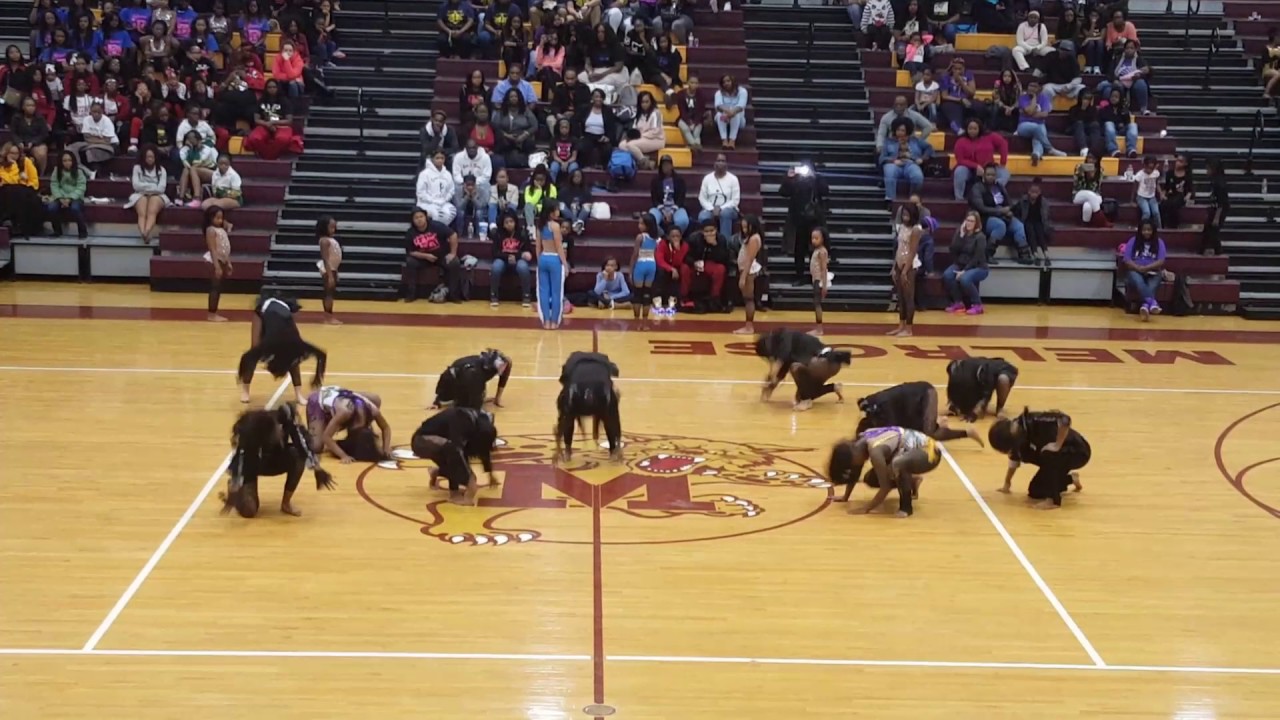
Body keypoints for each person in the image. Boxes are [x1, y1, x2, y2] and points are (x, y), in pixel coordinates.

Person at [219, 404, 336, 518]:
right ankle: (237, 495)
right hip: (253, 464)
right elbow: (240, 462)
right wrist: (235, 487)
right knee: (249, 511)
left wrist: (317, 468)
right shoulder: (250, 434)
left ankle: (286, 504)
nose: (280, 432)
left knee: (296, 456)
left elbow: (303, 444)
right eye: (276, 433)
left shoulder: (286, 416)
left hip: (274, 458)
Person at [827, 426, 942, 517]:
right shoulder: (860, 442)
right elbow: (856, 471)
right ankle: (912, 481)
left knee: (897, 463)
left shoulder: (875, 451)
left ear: (853, 457)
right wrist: (845, 496)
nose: (853, 467)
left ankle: (906, 508)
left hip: (930, 452)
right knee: (871, 478)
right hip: (911, 452)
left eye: (851, 464)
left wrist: (867, 508)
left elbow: (885, 487)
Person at [237, 292, 327, 405]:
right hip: (263, 311)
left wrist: (317, 377)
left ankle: (298, 394)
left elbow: (322, 355)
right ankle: (245, 389)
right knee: (255, 348)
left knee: (294, 358)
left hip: (283, 317)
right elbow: (247, 356)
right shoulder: (269, 343)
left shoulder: (296, 342)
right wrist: (240, 375)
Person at [989, 408, 1090, 510]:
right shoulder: (1017, 438)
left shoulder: (1034, 420)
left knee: (1048, 453)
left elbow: (1065, 419)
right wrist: (1007, 483)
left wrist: (1057, 444)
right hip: (1054, 457)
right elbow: (1014, 457)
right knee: (1035, 491)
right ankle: (1070, 479)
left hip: (1077, 451)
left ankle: (1054, 500)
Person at [411, 407, 499, 506]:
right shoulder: (462, 422)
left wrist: (490, 474)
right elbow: (454, 451)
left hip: (441, 442)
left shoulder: (481, 423)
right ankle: (453, 493)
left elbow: (484, 449)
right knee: (457, 458)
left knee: (459, 462)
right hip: (421, 441)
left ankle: (437, 472)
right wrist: (468, 488)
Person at [855, 381, 983, 445]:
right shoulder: (869, 404)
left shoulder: (888, 418)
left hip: (925, 393)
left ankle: (967, 432)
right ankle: (937, 422)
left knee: (929, 432)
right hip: (910, 405)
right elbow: (860, 402)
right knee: (922, 432)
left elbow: (898, 434)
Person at [556, 351, 623, 463]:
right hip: (601, 396)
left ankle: (567, 450)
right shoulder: (604, 361)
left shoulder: (572, 362)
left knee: (567, 416)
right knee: (611, 416)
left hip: (577, 398)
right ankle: (614, 449)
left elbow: (563, 380)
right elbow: (616, 371)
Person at [307, 386, 393, 463]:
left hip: (339, 396)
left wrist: (386, 448)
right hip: (319, 398)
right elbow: (326, 437)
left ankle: (332, 420)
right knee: (316, 446)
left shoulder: (373, 411)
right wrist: (343, 455)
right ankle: (324, 422)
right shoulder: (345, 412)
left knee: (375, 399)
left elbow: (385, 427)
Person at [781, 161, 829, 283]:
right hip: (798, 218)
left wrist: (815, 177)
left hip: (814, 219)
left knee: (816, 247)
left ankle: (818, 275)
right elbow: (783, 192)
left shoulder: (817, 178)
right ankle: (800, 275)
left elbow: (825, 191)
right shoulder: (795, 179)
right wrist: (788, 178)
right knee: (799, 248)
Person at [403, 208, 463, 303]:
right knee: (410, 262)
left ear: (426, 217)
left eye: (421, 216)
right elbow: (410, 252)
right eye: (416, 218)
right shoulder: (410, 233)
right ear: (413, 221)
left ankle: (453, 295)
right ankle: (411, 294)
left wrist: (452, 253)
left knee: (454, 262)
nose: (419, 219)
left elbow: (453, 235)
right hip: (424, 258)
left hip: (441, 256)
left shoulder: (436, 226)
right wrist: (426, 256)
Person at [753, 328, 828, 401]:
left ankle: (807, 398)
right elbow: (783, 367)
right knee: (800, 395)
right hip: (820, 360)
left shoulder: (784, 341)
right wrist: (772, 384)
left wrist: (772, 377)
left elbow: (780, 362)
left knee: (796, 369)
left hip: (823, 360)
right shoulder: (783, 342)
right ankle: (831, 388)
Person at [431, 348, 513, 410]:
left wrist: (497, 398)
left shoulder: (503, 363)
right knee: (468, 406)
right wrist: (437, 400)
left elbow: (506, 367)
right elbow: (446, 377)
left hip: (462, 376)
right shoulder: (475, 374)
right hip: (456, 381)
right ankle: (459, 397)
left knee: (474, 401)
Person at [942, 211, 989, 315]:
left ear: (976, 223)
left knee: (965, 278)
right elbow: (953, 249)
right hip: (960, 264)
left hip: (978, 267)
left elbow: (978, 257)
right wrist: (960, 236)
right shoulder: (961, 233)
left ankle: (977, 305)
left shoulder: (980, 237)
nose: (969, 223)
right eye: (967, 220)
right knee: (947, 275)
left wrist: (964, 271)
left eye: (972, 221)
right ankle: (958, 302)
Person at [945, 356, 1019, 421]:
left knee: (1003, 380)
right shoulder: (954, 367)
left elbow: (986, 395)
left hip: (1002, 370)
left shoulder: (984, 374)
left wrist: (975, 412)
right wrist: (954, 403)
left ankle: (1000, 408)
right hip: (981, 371)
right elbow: (953, 386)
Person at [889, 203, 922, 337]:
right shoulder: (902, 227)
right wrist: (894, 267)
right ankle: (900, 325)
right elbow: (899, 248)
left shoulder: (916, 229)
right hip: (899, 262)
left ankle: (909, 329)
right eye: (903, 214)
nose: (904, 217)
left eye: (907, 215)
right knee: (901, 298)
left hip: (909, 265)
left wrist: (905, 270)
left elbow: (912, 251)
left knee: (908, 297)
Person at [1122, 219, 1166, 320]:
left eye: (1149, 230)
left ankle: (1145, 306)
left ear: (1153, 231)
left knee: (1152, 285)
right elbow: (1127, 260)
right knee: (1138, 281)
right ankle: (1152, 303)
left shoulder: (1159, 242)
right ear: (1140, 230)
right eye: (1144, 230)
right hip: (1135, 270)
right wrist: (1138, 268)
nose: (1146, 232)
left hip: (1153, 271)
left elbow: (1160, 261)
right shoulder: (1133, 241)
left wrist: (1147, 268)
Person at [488, 210, 532, 306]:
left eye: (511, 222)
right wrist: (507, 257)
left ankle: (526, 295)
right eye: (506, 222)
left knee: (523, 267)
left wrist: (517, 256)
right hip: (502, 259)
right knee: (496, 267)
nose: (509, 224)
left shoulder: (522, 233)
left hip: (518, 259)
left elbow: (527, 250)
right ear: (503, 224)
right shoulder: (498, 234)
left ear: (515, 222)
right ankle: (494, 295)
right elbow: (495, 252)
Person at [787, 347, 852, 411]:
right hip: (832, 363)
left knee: (796, 367)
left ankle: (805, 401)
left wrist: (802, 394)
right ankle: (833, 387)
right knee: (809, 391)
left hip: (822, 362)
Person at [535, 203, 568, 330]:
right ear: (551, 212)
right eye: (557, 209)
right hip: (554, 258)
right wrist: (564, 264)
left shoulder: (540, 225)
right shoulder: (555, 226)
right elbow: (559, 247)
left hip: (543, 257)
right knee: (556, 292)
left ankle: (546, 322)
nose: (559, 211)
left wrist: (539, 261)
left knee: (543, 291)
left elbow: (538, 246)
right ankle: (554, 321)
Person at [45, 150, 89, 239]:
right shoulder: (56, 171)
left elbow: (81, 187)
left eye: (69, 160)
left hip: (75, 197)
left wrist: (70, 198)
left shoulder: (79, 171)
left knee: (75, 208)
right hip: (60, 196)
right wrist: (60, 198)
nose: (67, 163)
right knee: (51, 208)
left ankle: (83, 231)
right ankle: (57, 231)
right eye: (64, 161)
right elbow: (54, 185)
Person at [734, 214, 766, 335]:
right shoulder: (752, 237)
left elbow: (749, 259)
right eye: (743, 227)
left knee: (748, 299)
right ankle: (748, 325)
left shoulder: (754, 239)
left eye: (746, 227)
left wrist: (743, 276)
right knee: (747, 299)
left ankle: (749, 326)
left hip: (748, 271)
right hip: (745, 270)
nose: (744, 230)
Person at [697, 154, 740, 240]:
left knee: (725, 214)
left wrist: (720, 208)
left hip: (729, 210)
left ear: (726, 165)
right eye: (718, 161)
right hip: (710, 209)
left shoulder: (733, 179)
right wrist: (712, 209)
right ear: (714, 164)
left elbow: (735, 200)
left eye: (723, 161)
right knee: (702, 217)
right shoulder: (707, 178)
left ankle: (724, 243)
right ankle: (706, 243)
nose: (720, 163)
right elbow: (702, 198)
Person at [203, 206, 233, 321]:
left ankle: (213, 312)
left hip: (222, 260)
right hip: (214, 260)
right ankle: (211, 314)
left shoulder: (221, 230)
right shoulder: (211, 230)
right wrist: (216, 266)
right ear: (210, 218)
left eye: (221, 218)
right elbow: (213, 249)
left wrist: (228, 262)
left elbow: (225, 249)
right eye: (217, 218)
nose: (220, 220)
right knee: (215, 287)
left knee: (219, 287)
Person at [1014, 178, 1052, 265]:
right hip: (1027, 221)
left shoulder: (1044, 202)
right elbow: (1015, 210)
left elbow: (1046, 217)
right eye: (1032, 192)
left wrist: (1048, 227)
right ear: (1028, 192)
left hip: (1039, 222)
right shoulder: (1023, 200)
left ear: (1040, 193)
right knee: (1030, 232)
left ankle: (1046, 255)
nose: (1034, 194)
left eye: (1036, 192)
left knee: (1040, 232)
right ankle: (1035, 254)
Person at [630, 214, 659, 321]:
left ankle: (637, 318)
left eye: (641, 223)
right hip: (652, 264)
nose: (639, 225)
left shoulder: (640, 237)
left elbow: (635, 254)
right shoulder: (656, 238)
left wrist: (630, 270)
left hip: (641, 264)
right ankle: (645, 318)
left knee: (638, 293)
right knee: (647, 293)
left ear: (647, 225)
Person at [317, 215, 342, 324]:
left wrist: (336, 271)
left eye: (334, 227)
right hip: (329, 269)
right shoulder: (324, 241)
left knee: (330, 293)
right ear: (324, 227)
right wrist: (330, 275)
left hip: (333, 268)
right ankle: (328, 317)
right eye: (331, 227)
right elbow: (325, 259)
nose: (333, 229)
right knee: (328, 293)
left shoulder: (330, 240)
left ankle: (329, 316)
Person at [1202, 158, 1229, 256]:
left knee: (1213, 231)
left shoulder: (1220, 183)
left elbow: (1221, 202)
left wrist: (1217, 217)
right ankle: (1203, 250)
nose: (1207, 171)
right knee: (1208, 230)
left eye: (1208, 169)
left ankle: (1218, 252)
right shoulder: (1214, 181)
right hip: (1214, 209)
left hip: (1219, 210)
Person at [1131, 155, 1162, 228]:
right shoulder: (1140, 175)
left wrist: (1160, 193)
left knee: (1156, 213)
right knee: (1147, 212)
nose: (1150, 171)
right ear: (1144, 166)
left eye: (1152, 168)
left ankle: (1159, 229)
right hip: (1141, 197)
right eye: (1149, 168)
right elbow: (1135, 188)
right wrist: (1132, 200)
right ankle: (1142, 228)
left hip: (1152, 197)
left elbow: (1156, 184)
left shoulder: (1156, 173)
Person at [809, 227, 829, 335]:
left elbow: (824, 269)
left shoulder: (822, 251)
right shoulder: (816, 250)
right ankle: (818, 328)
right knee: (816, 303)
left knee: (817, 304)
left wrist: (824, 285)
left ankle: (819, 329)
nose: (813, 240)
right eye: (812, 238)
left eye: (816, 238)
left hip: (819, 280)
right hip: (815, 279)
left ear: (823, 238)